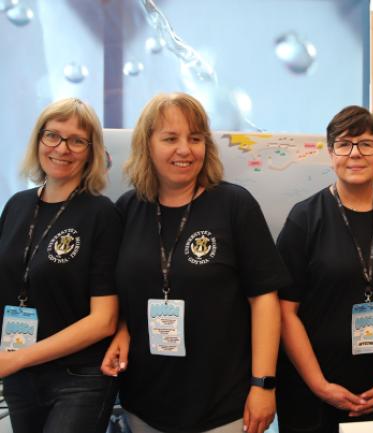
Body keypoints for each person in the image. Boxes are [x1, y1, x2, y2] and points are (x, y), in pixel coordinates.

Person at [100, 92, 289, 433]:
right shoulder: (127, 209)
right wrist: (123, 328)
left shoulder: (234, 205)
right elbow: (122, 291)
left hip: (224, 408)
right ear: (147, 145)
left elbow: (264, 300)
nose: (185, 150)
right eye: (170, 138)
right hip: (144, 405)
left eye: (195, 138)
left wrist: (264, 384)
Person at [275, 106, 373, 433]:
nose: (354, 154)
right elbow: (285, 312)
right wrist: (320, 385)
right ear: (330, 153)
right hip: (312, 394)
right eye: (344, 144)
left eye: (366, 144)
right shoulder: (304, 218)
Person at [0, 98, 121, 432]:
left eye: (77, 140)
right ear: (39, 139)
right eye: (52, 135)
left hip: (78, 378)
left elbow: (104, 321)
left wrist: (18, 358)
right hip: (19, 374)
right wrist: (14, 360)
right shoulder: (17, 205)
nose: (62, 148)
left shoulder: (101, 214)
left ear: (91, 152)